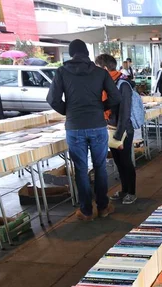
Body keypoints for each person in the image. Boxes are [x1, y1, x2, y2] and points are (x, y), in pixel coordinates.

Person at [46, 39, 121, 221]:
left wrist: (69, 111)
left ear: (71, 54)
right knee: (100, 167)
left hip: (75, 127)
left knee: (80, 169)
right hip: (97, 125)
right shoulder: (99, 73)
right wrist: (100, 108)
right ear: (87, 53)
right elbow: (116, 97)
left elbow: (52, 99)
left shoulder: (62, 72)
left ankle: (86, 211)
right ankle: (103, 207)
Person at [95, 54, 137, 205]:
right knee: (118, 162)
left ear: (104, 68)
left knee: (126, 161)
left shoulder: (122, 84)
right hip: (111, 128)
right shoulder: (107, 84)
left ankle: (131, 192)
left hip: (123, 130)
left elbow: (125, 111)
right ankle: (124, 190)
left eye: (97, 68)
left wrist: (119, 134)